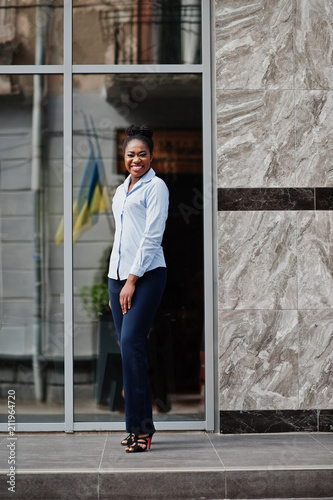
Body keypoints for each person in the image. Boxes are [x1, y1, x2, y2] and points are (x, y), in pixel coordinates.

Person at [107, 124, 169, 453]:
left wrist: (131, 279)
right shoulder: (121, 191)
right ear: (124, 157)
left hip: (146, 277)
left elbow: (152, 236)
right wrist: (117, 278)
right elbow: (121, 237)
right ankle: (138, 426)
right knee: (129, 352)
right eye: (131, 154)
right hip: (116, 278)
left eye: (142, 154)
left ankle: (142, 429)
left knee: (132, 344)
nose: (136, 159)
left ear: (151, 155)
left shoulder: (155, 187)